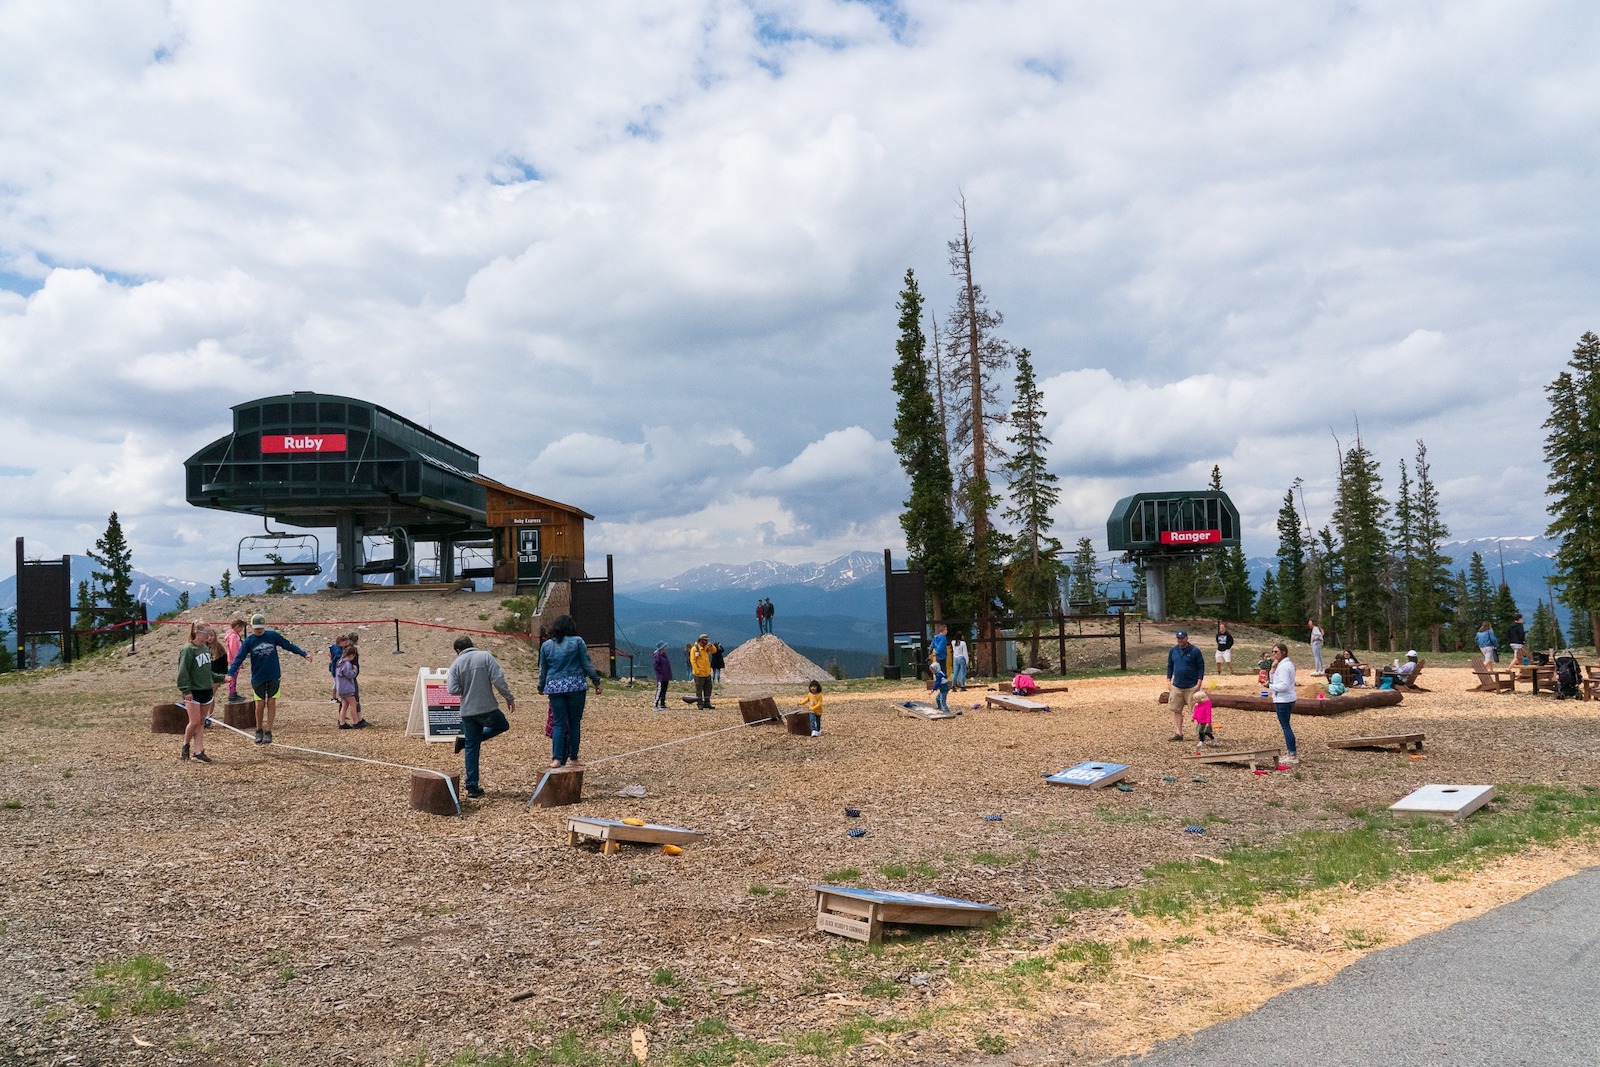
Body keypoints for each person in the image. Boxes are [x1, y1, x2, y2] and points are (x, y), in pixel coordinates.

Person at [447, 635, 515, 799]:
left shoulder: (455, 664)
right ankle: (466, 742)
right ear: (472, 645)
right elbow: (498, 679)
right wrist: (508, 697)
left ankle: (472, 787)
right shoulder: (485, 656)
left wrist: (465, 687)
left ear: (458, 650)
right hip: (487, 708)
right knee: (502, 725)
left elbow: (452, 689)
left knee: (472, 747)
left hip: (467, 711)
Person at [227, 613, 310, 745]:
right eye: (256, 628)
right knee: (260, 704)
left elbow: (288, 645)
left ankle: (269, 730)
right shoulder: (249, 641)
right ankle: (259, 729)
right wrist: (230, 673)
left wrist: (303, 653)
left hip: (273, 675)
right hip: (258, 677)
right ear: (252, 627)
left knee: (272, 703)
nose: (259, 630)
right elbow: (239, 657)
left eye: (261, 628)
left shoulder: (272, 635)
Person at [538, 614, 602, 770]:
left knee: (559, 723)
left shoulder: (546, 646)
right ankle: (573, 757)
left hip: (554, 687)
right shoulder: (578, 642)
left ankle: (556, 759)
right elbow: (586, 664)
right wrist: (596, 681)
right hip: (575, 686)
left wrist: (541, 686)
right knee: (574, 723)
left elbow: (543, 669)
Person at [176, 625, 226, 763]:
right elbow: (183, 671)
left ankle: (198, 752)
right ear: (197, 633)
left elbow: (206, 671)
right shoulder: (188, 650)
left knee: (201, 722)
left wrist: (220, 678)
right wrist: (186, 690)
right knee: (194, 721)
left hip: (206, 690)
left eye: (210, 633)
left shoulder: (205, 649)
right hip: (193, 691)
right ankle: (185, 745)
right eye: (207, 633)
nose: (209, 636)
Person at [1165, 629, 1206, 742]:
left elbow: (1201, 667)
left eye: (1182, 638)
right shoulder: (1173, 651)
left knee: (1197, 711)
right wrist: (1168, 680)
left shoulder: (1195, 651)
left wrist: (1199, 682)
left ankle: (1201, 733)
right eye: (1178, 638)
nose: (1180, 640)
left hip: (1191, 686)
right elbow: (1170, 665)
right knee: (1176, 710)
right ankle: (1178, 733)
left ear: (1187, 638)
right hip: (1177, 686)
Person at [1269, 642, 1298, 764]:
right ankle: (1291, 752)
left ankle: (1292, 754)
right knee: (1286, 725)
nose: (1274, 654)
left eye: (1276, 652)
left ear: (1283, 652)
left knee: (1286, 726)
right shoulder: (1283, 665)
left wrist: (1270, 686)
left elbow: (1284, 685)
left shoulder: (1285, 666)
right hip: (1285, 698)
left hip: (1283, 700)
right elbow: (1275, 679)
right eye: (1273, 652)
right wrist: (1273, 669)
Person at [334, 645, 360, 728]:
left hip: (340, 688)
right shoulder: (347, 664)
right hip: (347, 688)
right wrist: (355, 669)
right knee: (353, 704)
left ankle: (342, 722)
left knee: (344, 705)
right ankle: (356, 722)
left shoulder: (339, 662)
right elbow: (350, 675)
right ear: (352, 655)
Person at [689, 634, 715, 709]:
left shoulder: (707, 648)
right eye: (705, 640)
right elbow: (693, 661)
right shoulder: (695, 649)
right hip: (699, 673)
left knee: (708, 688)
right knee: (699, 689)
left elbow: (714, 651)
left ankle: (707, 702)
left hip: (707, 672)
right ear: (700, 640)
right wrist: (696, 671)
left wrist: (711, 646)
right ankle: (699, 703)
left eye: (707, 640)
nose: (706, 641)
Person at [224, 619, 245, 701]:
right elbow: (234, 648)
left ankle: (233, 691)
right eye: (241, 628)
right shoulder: (233, 636)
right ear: (237, 627)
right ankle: (232, 693)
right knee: (233, 677)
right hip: (234, 660)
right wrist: (238, 660)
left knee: (234, 677)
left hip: (234, 659)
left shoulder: (233, 635)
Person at [327, 633, 349, 705]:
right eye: (344, 642)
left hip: (335, 668)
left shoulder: (336, 648)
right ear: (340, 642)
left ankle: (334, 697)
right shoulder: (338, 650)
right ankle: (334, 697)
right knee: (336, 683)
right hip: (336, 669)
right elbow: (337, 659)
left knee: (336, 683)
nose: (346, 644)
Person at [651, 641, 672, 710]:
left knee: (664, 690)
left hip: (666, 676)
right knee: (660, 690)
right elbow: (655, 665)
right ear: (661, 648)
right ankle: (655, 704)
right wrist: (661, 672)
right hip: (661, 676)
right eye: (664, 647)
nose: (665, 648)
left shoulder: (664, 655)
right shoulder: (657, 655)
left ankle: (662, 704)